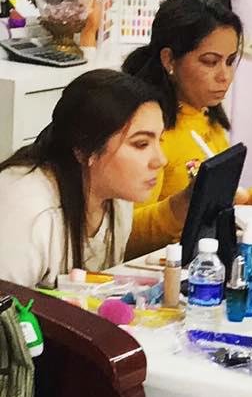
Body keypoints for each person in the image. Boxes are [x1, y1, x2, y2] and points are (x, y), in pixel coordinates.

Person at [121, 0, 252, 248]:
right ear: (169, 59)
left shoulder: (207, 119)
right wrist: (181, 205)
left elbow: (218, 202)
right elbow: (123, 237)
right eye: (210, 62)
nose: (224, 76)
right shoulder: (147, 132)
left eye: (229, 62)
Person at [0, 70, 167, 285]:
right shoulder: (28, 208)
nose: (161, 160)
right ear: (84, 150)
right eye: (141, 144)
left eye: (160, 140)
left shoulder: (118, 199)